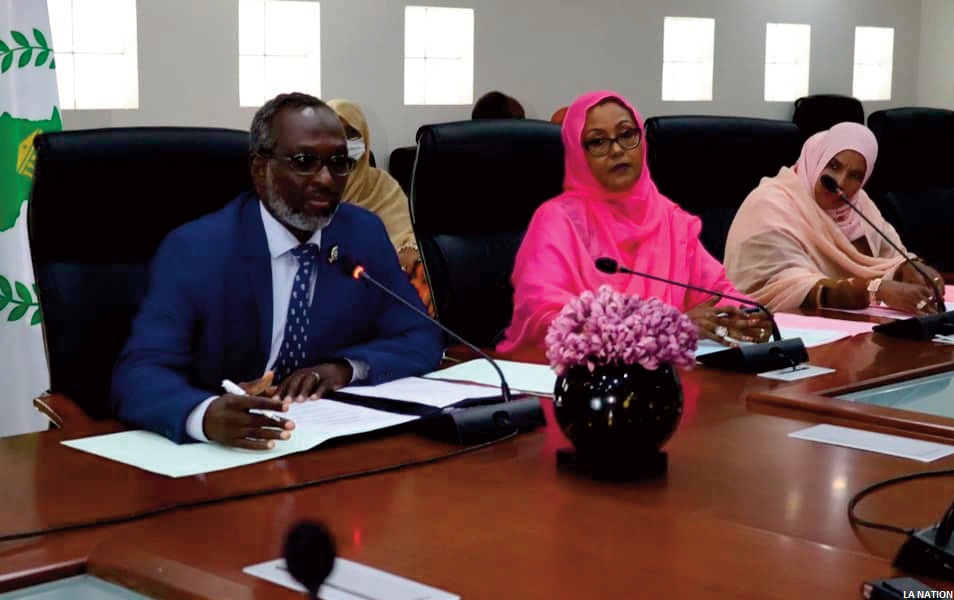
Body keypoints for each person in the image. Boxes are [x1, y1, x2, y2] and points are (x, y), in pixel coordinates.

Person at [112, 93, 444, 449]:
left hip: (326, 441)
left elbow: (422, 337)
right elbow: (139, 373)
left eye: (338, 162)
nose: (326, 179)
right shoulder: (196, 249)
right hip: (221, 454)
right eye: (304, 162)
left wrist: (343, 369)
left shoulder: (362, 234)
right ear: (260, 169)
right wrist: (205, 415)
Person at [496, 90, 771, 355]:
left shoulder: (670, 219)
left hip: (664, 377)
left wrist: (747, 316)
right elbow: (546, 320)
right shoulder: (556, 221)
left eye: (627, 134)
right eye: (598, 141)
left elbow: (715, 291)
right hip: (569, 381)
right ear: (577, 153)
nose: (616, 150)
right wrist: (665, 327)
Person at [724, 122, 942, 314]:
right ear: (817, 159)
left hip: (853, 324)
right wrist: (874, 291)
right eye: (834, 166)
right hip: (780, 326)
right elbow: (786, 286)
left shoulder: (857, 204)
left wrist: (911, 268)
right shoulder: (769, 205)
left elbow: (890, 257)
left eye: (855, 176)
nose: (840, 181)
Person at [326, 99, 433, 315]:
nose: (344, 142)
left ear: (364, 139)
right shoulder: (310, 186)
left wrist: (409, 249)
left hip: (380, 286)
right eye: (335, 132)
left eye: (351, 134)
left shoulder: (380, 185)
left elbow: (407, 234)